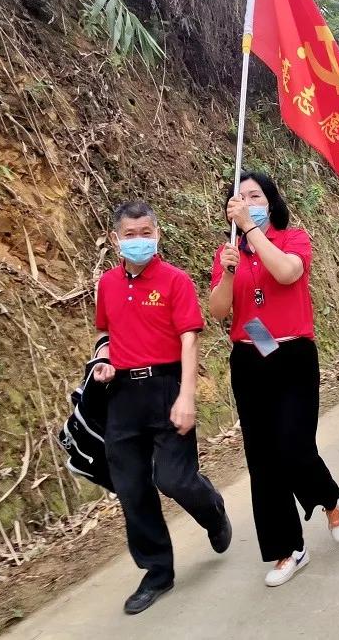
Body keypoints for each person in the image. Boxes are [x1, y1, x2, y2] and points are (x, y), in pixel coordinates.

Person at [209, 171, 339, 587]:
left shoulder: (292, 239)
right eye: (240, 197)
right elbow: (218, 311)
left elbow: (288, 273)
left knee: (294, 446)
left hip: (293, 355)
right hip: (250, 356)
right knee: (263, 459)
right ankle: (287, 549)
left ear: (270, 201)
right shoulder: (228, 252)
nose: (248, 201)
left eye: (255, 195)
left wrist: (251, 230)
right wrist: (229, 271)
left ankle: (330, 497)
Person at [93, 201, 232, 615]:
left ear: (158, 235)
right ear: (116, 240)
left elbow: (190, 338)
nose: (139, 241)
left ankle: (212, 509)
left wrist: (186, 396)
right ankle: (157, 572)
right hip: (122, 395)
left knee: (174, 479)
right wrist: (103, 359)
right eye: (130, 235)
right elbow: (104, 331)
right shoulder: (107, 284)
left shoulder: (175, 281)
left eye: (146, 233)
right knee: (133, 489)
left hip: (166, 385)